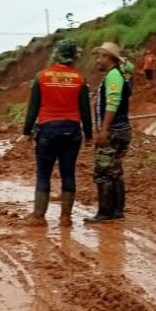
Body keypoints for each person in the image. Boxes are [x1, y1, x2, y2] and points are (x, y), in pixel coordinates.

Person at [22, 39, 93, 227]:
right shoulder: (79, 79)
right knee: (68, 173)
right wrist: (89, 135)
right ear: (74, 58)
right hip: (72, 131)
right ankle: (65, 217)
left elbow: (33, 107)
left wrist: (27, 131)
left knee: (43, 174)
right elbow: (85, 110)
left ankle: (38, 216)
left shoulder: (42, 77)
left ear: (56, 55)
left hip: (47, 130)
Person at [87, 42, 134, 223]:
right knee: (116, 171)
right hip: (122, 130)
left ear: (107, 57)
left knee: (104, 172)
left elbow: (112, 104)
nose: (97, 61)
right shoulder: (121, 75)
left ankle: (105, 213)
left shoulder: (113, 76)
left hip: (113, 131)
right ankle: (117, 212)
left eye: (99, 56)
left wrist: (104, 130)